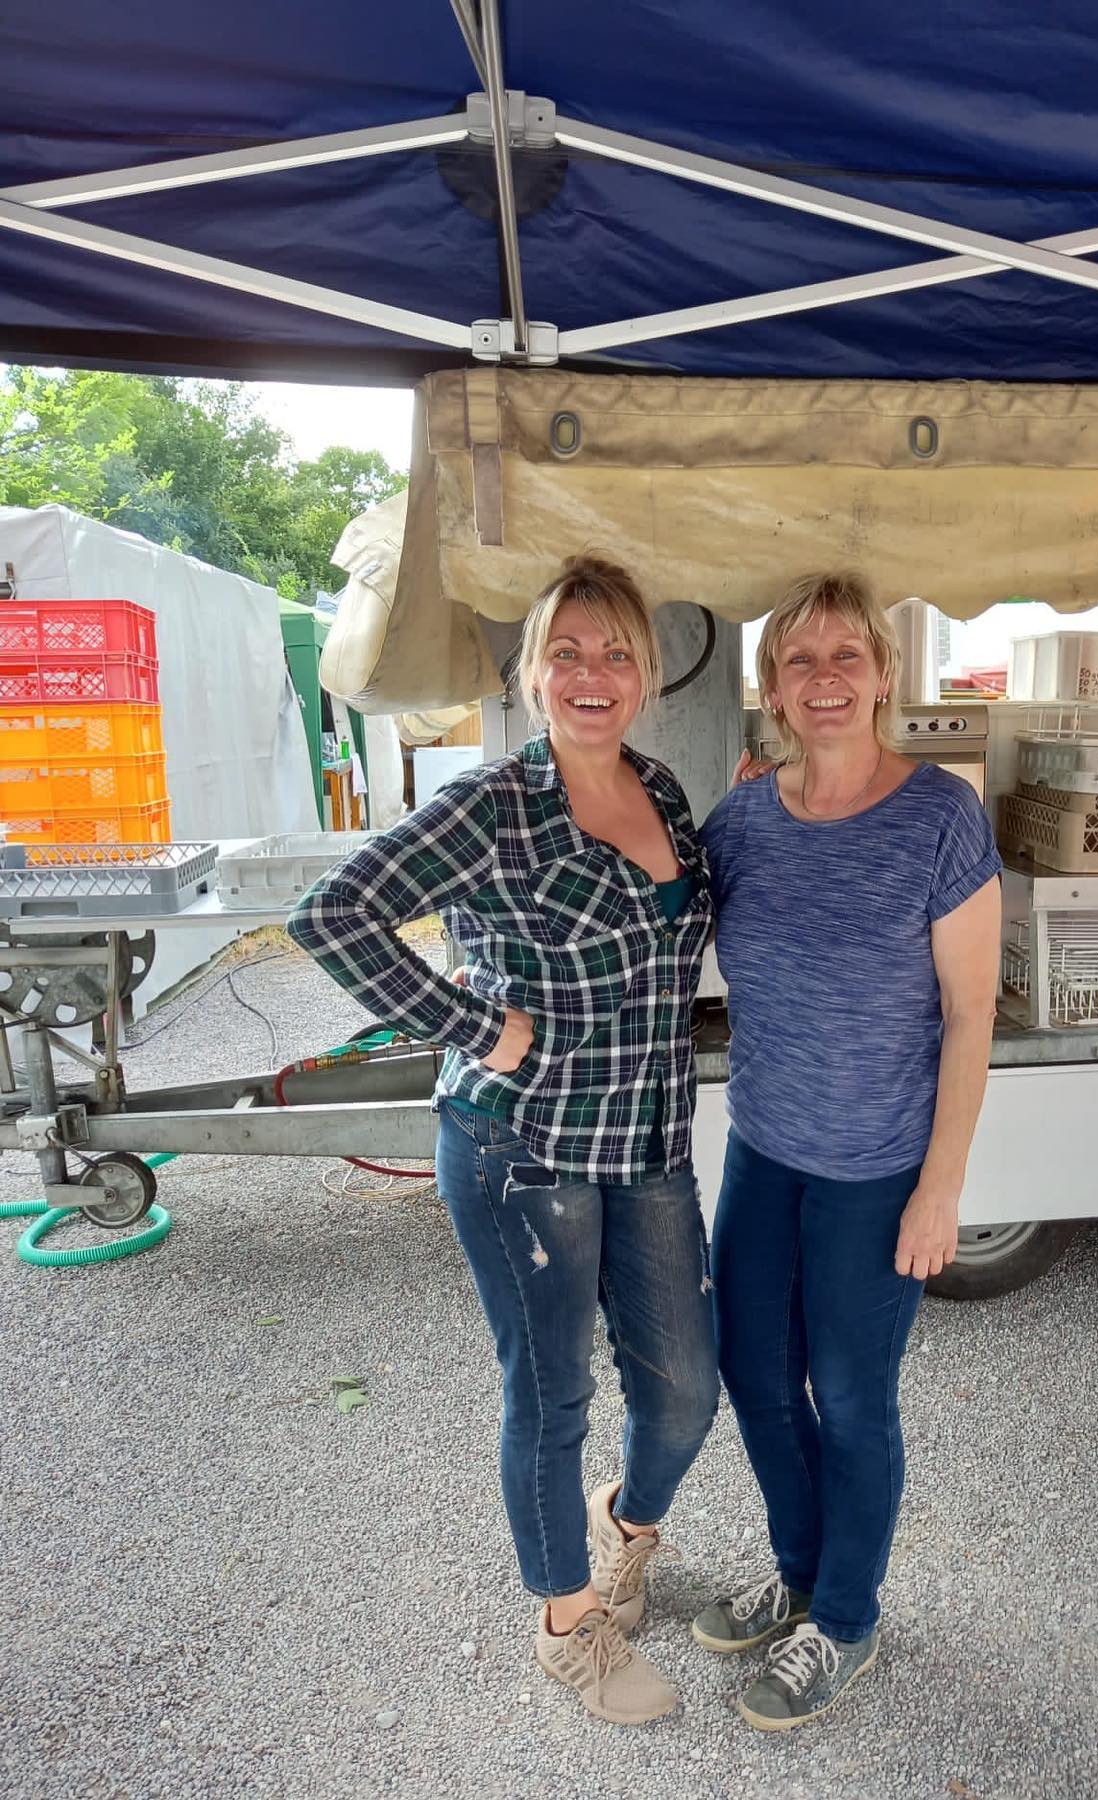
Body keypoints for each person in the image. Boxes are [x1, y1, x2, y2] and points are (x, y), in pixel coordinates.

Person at [288, 556, 718, 1726]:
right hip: (521, 1149)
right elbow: (330, 917)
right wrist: (479, 1022)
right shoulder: (492, 806)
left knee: (683, 1390)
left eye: (615, 652)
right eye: (567, 653)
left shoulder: (665, 792)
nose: (593, 674)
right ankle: (567, 1625)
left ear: (645, 674)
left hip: (647, 1145)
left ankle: (624, 1533)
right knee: (552, 1393)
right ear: (533, 675)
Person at [693, 569, 1002, 1731]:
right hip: (765, 1152)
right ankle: (804, 1571)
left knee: (854, 1399)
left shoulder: (939, 818)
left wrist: (941, 1190)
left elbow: (971, 1017)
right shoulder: (742, 822)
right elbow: (664, 923)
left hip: (878, 1169)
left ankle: (850, 1619)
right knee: (754, 1374)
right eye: (801, 660)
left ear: (882, 674)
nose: (825, 680)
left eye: (846, 657)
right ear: (771, 686)